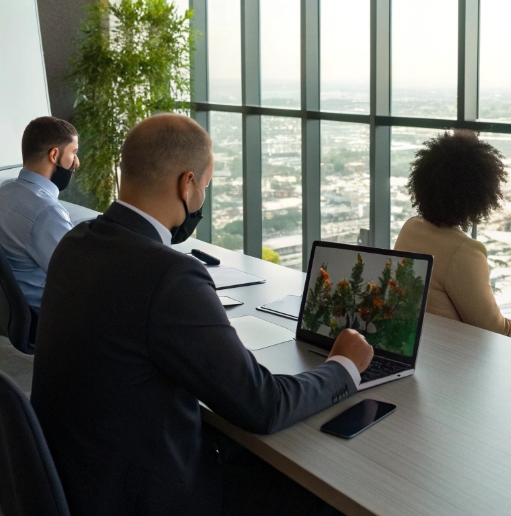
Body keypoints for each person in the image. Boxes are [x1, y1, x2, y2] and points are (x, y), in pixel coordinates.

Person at [30, 114, 373, 516]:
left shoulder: (75, 243)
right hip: (151, 498)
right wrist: (344, 366)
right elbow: (263, 406)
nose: (202, 198)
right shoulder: (169, 274)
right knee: (324, 498)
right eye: (205, 186)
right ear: (187, 183)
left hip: (79, 482)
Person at [394, 130, 510, 335]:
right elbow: (493, 330)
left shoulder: (410, 228)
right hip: (453, 359)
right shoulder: (465, 252)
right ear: (479, 195)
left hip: (420, 348)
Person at [0, 116, 79, 313]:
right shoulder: (47, 213)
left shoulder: (4, 191)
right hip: (50, 317)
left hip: (14, 310)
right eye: (73, 153)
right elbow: (79, 279)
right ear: (54, 155)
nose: (76, 162)